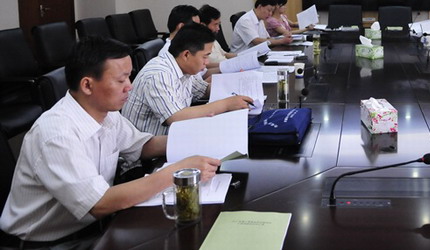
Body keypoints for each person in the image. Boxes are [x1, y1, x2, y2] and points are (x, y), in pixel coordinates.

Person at [0, 36, 220, 246]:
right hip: (49, 243)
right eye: (120, 80)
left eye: (129, 77)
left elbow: (142, 146)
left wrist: (194, 140)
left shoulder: (106, 112)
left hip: (94, 225)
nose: (129, 86)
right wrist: (177, 171)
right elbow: (99, 203)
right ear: (87, 85)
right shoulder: (57, 134)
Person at [122, 23, 253, 136]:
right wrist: (226, 104)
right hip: (154, 149)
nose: (207, 62)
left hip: (177, 135)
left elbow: (203, 90)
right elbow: (175, 117)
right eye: (205, 56)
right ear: (186, 55)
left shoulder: (184, 68)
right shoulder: (159, 74)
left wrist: (234, 83)